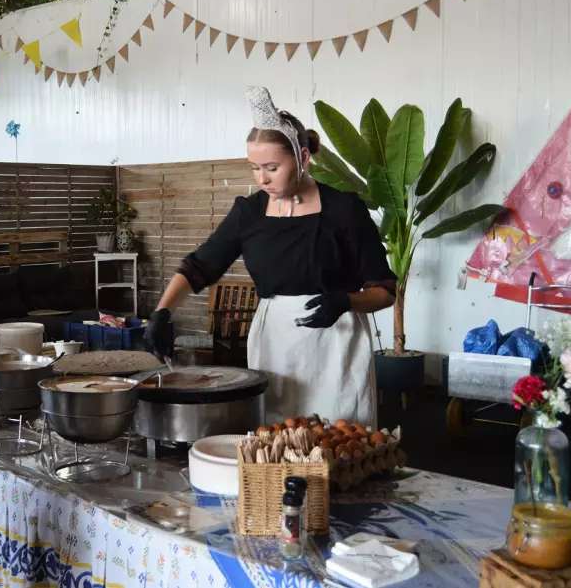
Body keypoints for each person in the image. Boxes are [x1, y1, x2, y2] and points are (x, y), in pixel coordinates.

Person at [144, 87, 396, 426]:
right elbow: (199, 266)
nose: (262, 178)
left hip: (337, 347)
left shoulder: (344, 210)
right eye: (254, 168)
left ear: (303, 157)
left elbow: (384, 291)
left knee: (340, 439)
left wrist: (346, 301)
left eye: (272, 167)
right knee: (277, 437)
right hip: (274, 342)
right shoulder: (248, 213)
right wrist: (162, 312)